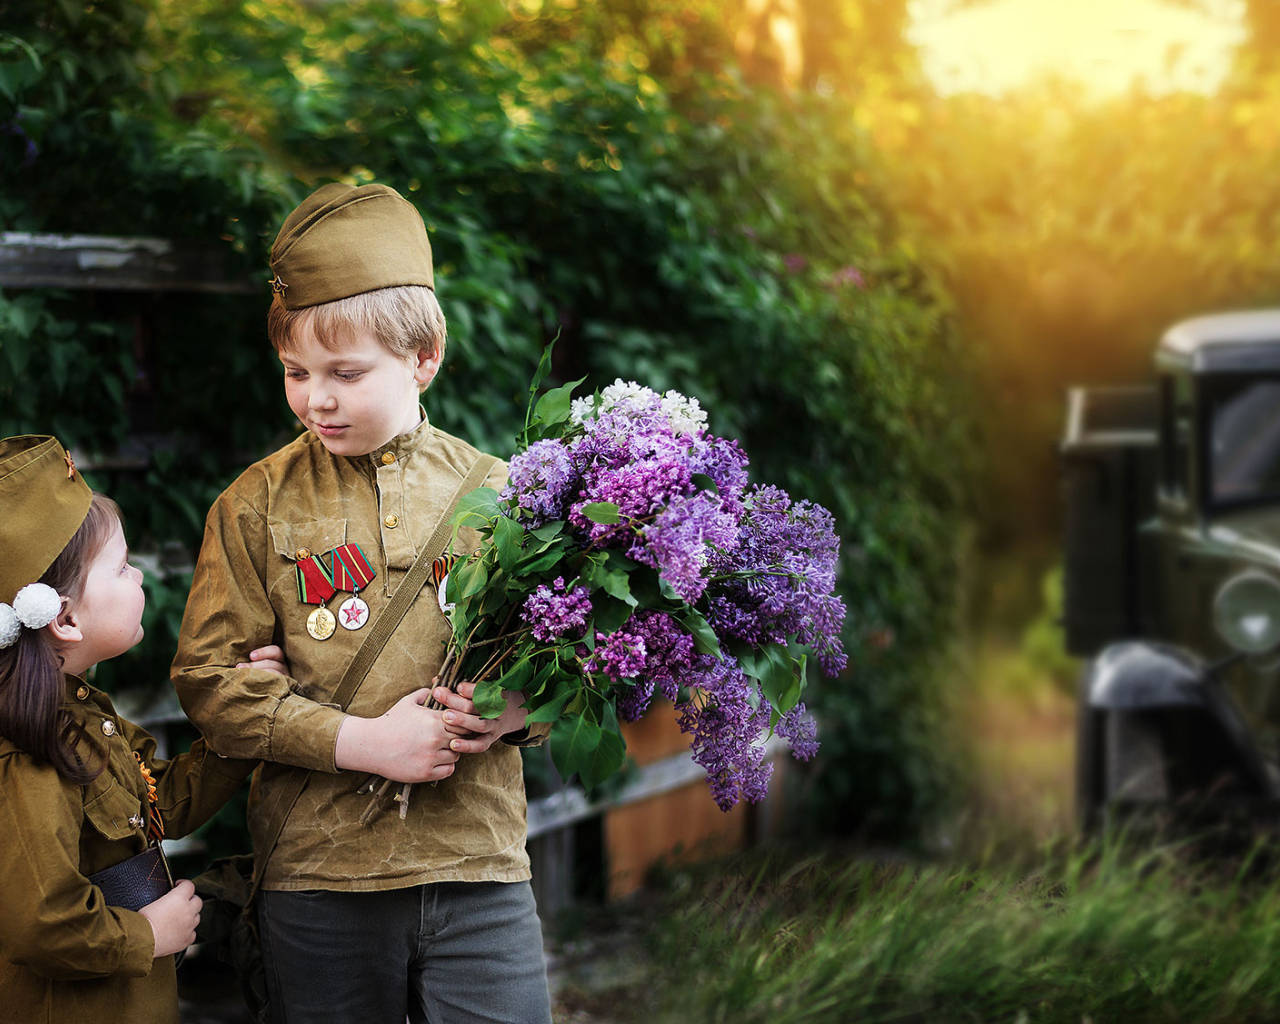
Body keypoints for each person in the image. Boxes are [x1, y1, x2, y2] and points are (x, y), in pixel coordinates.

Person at [170, 182, 554, 1024]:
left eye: (346, 373)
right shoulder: (253, 503)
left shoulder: (506, 495)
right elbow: (209, 680)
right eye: (295, 373)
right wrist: (361, 741)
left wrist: (517, 712)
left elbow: (563, 661)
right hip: (319, 878)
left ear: (424, 358)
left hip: (478, 868)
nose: (317, 399)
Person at [0, 433, 292, 1024]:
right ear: (65, 618)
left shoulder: (78, 718)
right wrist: (147, 935)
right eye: (121, 568)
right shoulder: (28, 753)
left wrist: (244, 708)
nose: (138, 579)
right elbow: (43, 923)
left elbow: (162, 804)